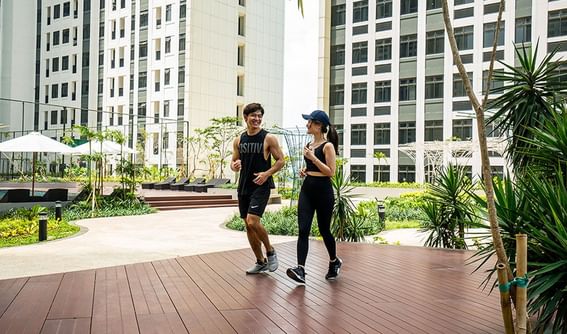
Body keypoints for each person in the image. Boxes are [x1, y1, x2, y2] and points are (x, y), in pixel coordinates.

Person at [286, 110, 342, 284]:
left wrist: (313, 159)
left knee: (324, 230)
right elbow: (313, 167)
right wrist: (306, 170)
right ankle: (300, 269)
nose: (306, 124)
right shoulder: (309, 145)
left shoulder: (328, 146)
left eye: (309, 121)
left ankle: (334, 261)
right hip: (307, 189)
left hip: (323, 192)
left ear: (318, 125)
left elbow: (331, 172)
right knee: (303, 229)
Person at [231, 102, 285, 274]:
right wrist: (235, 165)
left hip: (261, 186)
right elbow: (233, 162)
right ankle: (260, 261)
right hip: (244, 186)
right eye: (253, 115)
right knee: (248, 225)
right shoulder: (239, 140)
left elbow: (281, 160)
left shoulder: (268, 138)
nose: (257, 119)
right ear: (245, 117)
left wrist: (266, 174)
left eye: (260, 116)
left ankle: (270, 251)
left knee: (253, 220)